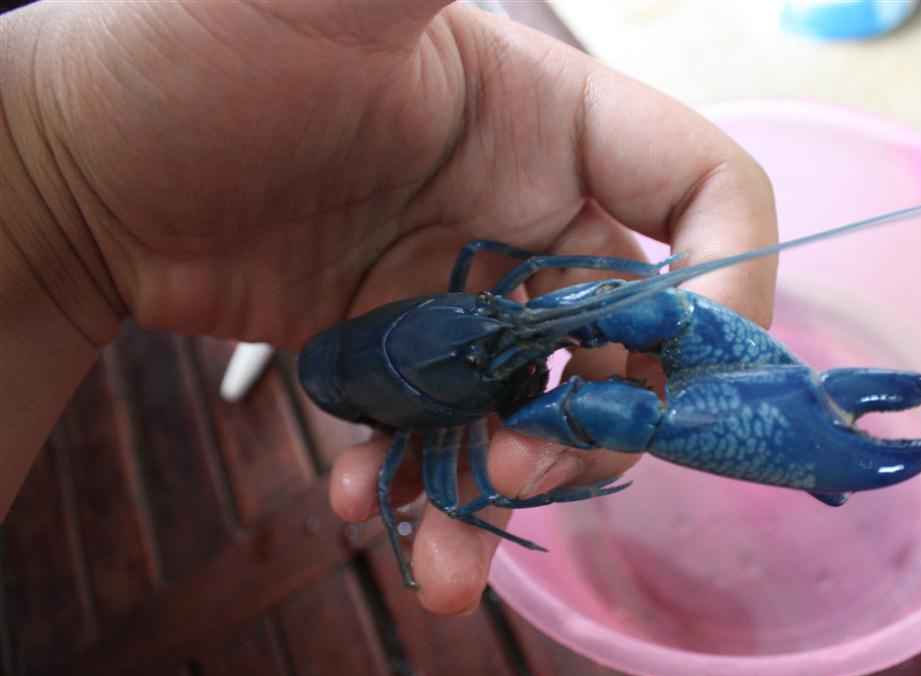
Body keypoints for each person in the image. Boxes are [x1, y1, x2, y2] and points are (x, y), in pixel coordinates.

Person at [2, 0, 776, 617]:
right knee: (482, 469)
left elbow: (526, 277)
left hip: (395, 336)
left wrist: (55, 156)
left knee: (533, 356)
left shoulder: (493, 303)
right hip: (339, 370)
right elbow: (445, 483)